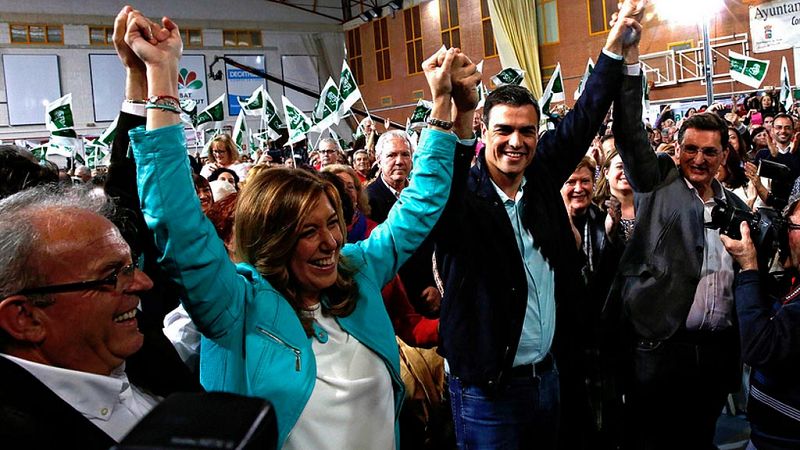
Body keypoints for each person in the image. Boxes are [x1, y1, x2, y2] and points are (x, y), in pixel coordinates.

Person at [125, 9, 478, 448]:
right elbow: (177, 224)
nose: (330, 240)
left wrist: (443, 103)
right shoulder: (236, 306)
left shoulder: (358, 270)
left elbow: (421, 203)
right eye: (308, 231)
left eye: (332, 222)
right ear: (272, 240)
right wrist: (161, 79)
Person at [433, 2, 643, 448]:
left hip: (549, 375)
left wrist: (611, 46)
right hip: (487, 390)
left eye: (527, 131)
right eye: (504, 130)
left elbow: (584, 116)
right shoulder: (462, 197)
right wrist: (456, 114)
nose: (516, 141)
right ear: (485, 134)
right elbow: (442, 197)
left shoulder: (542, 176)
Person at [605, 86, 749, 446]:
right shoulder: (657, 186)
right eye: (690, 149)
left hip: (716, 353)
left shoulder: (737, 208)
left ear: (724, 155)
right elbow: (628, 134)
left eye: (709, 151)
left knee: (701, 441)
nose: (698, 159)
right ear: (677, 149)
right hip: (662, 352)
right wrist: (631, 65)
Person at [0, 185, 157, 447]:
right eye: (112, 276)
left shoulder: (140, 343)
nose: (143, 283)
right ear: (25, 318)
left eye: (131, 266)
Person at [720, 180, 800, 450]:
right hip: (767, 434)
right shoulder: (793, 281)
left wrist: (750, 268)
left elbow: (760, 347)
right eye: (787, 224)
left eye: (794, 227)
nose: (786, 233)